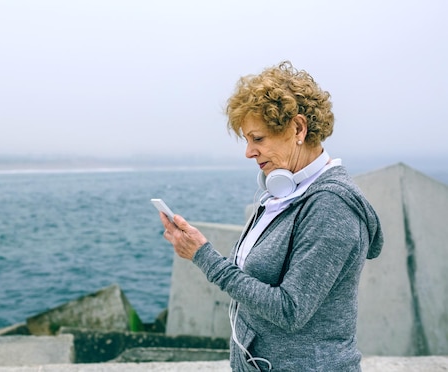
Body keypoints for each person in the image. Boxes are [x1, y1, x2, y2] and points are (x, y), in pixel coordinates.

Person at [158, 61, 383, 371]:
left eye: (258, 139)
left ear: (298, 129)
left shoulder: (332, 207)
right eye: (247, 141)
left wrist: (204, 257)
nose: (249, 152)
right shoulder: (284, 193)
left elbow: (290, 309)